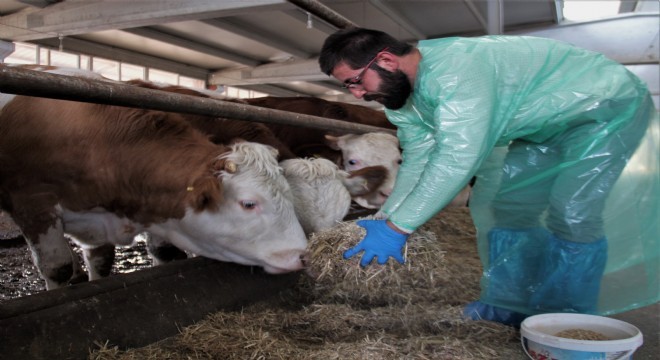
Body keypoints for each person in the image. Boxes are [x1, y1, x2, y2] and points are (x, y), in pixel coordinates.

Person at [319, 27, 659, 327]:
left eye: (355, 81)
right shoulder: (401, 97)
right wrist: (386, 216)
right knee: (511, 206)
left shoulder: (457, 72)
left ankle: (565, 316)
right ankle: (508, 303)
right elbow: (419, 156)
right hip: (541, 127)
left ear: (387, 60)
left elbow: (457, 157)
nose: (357, 95)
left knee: (572, 211)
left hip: (603, 110)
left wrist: (399, 229)